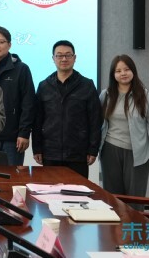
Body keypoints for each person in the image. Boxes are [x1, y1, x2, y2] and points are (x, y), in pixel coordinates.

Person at [99, 55, 149, 198]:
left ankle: (133, 215)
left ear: (133, 71)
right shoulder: (106, 95)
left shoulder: (146, 96)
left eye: (126, 69)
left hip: (137, 154)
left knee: (135, 199)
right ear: (113, 74)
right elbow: (98, 123)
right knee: (113, 200)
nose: (123, 73)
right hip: (110, 151)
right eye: (118, 71)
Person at [32, 40, 102, 178]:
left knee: (77, 190)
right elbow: (37, 120)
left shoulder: (87, 85)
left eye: (68, 55)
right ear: (53, 58)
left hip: (78, 153)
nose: (64, 59)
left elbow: (95, 120)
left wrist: (93, 149)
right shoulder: (44, 86)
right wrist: (37, 148)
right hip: (50, 152)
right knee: (51, 190)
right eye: (59, 55)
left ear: (74, 58)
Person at [0, 25, 35, 166]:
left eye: (1, 42)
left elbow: (28, 103)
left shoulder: (21, 69)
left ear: (9, 45)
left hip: (12, 138)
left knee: (12, 177)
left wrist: (24, 133)